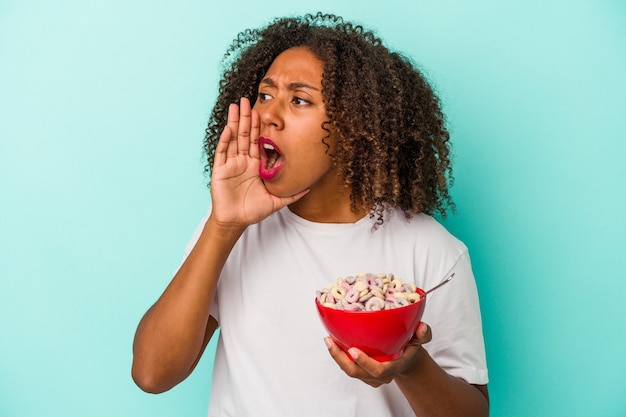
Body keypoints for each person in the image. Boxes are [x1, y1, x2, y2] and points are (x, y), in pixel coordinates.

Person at [131, 12, 489, 417]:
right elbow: (151, 373)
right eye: (265, 95)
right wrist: (222, 227)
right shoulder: (233, 233)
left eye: (299, 100)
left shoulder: (431, 250)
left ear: (353, 127)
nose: (268, 114)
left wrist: (410, 367)